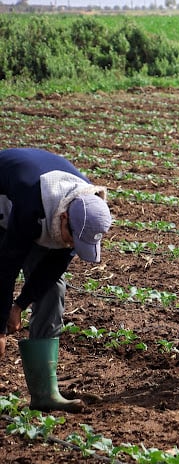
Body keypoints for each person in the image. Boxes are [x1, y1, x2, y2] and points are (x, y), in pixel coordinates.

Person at [0, 148, 113, 412]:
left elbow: (52, 270)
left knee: (52, 288)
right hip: (7, 205)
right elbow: (6, 268)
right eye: (72, 238)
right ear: (64, 218)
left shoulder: (85, 211)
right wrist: (1, 328)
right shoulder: (33, 204)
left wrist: (18, 307)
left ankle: (44, 392)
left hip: (38, 211)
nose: (72, 245)